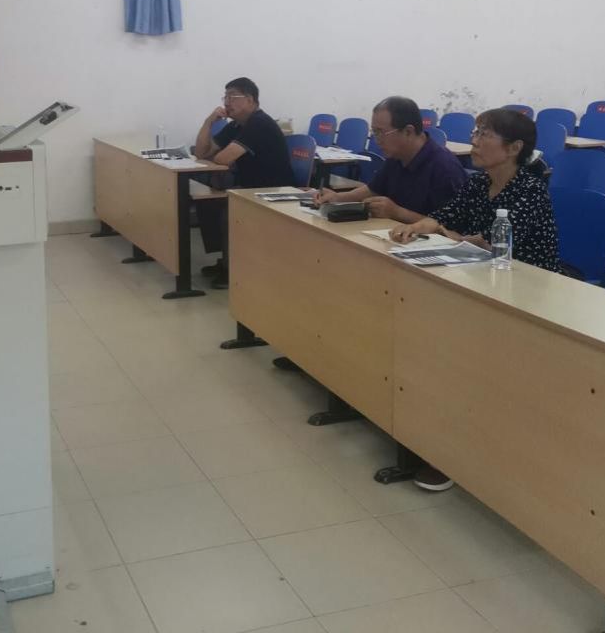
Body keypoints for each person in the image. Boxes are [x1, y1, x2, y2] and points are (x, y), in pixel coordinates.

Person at [389, 107, 560, 491]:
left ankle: (456, 448)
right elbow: (445, 217)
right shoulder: (480, 182)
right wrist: (418, 226)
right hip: (483, 283)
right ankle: (426, 426)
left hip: (526, 296)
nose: (475, 141)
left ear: (514, 148)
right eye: (476, 132)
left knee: (456, 353)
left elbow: (487, 244)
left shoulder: (530, 190)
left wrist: (453, 235)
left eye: (485, 135)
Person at [192, 77, 291, 289]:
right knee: (208, 200)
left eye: (232, 97)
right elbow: (201, 152)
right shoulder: (237, 124)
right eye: (225, 97)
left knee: (228, 207)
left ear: (250, 100)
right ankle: (225, 261)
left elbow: (222, 158)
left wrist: (215, 156)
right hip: (251, 187)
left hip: (274, 189)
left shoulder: (259, 123)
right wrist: (208, 122)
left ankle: (233, 269)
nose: (227, 103)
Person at [312, 96, 466, 222]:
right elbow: (373, 189)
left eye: (381, 132)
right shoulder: (397, 155)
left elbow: (449, 229)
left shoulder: (444, 168)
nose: (376, 140)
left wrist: (397, 213)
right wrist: (338, 198)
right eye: (374, 132)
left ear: (408, 131)